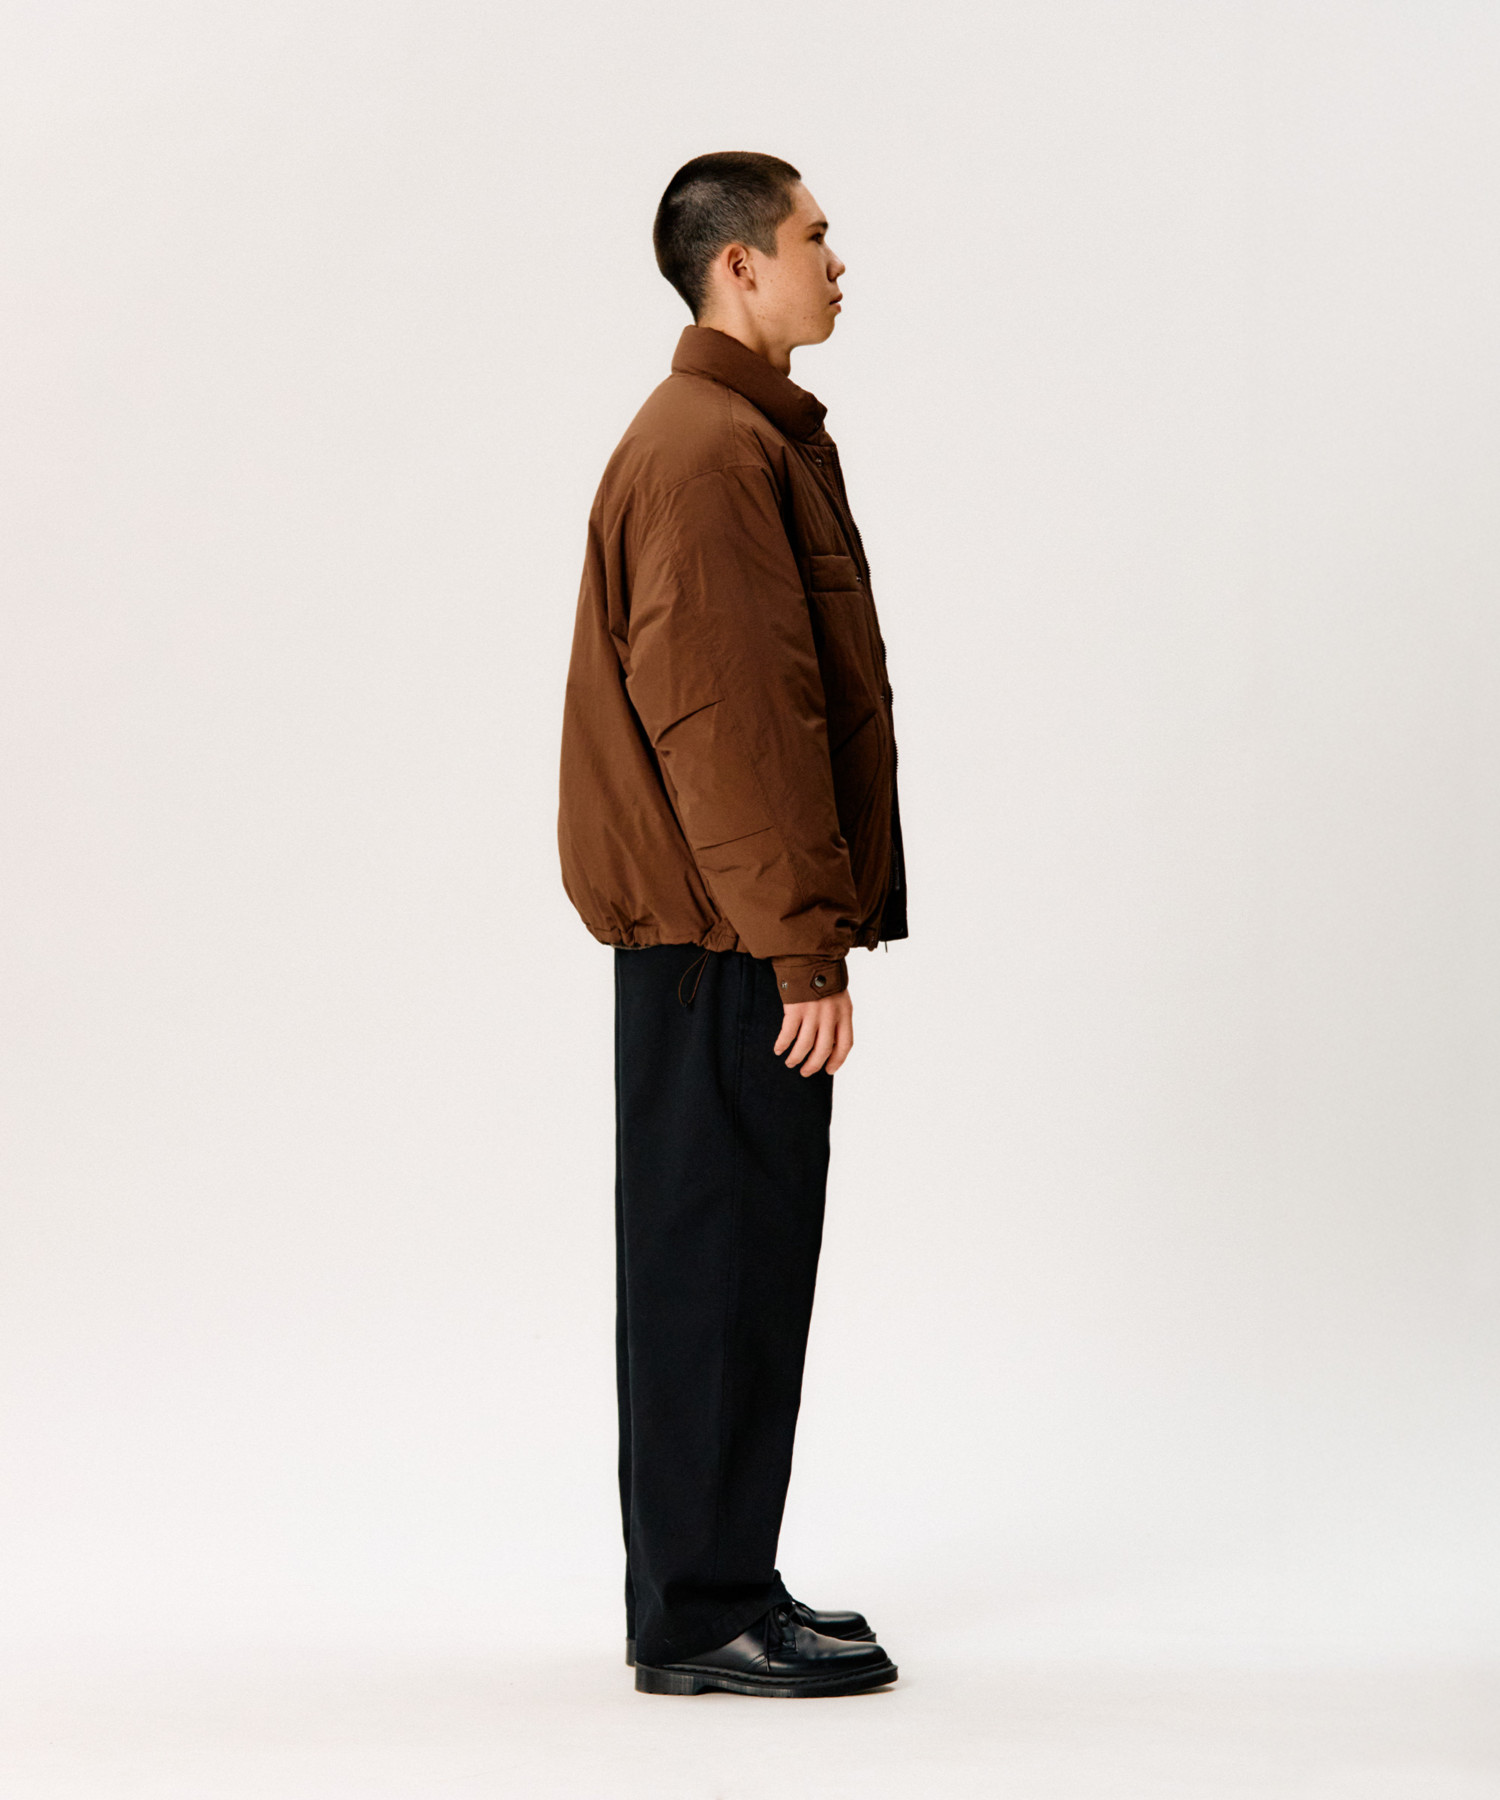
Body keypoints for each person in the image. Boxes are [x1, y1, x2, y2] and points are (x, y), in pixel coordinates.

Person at [557, 152, 907, 1699]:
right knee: (717, 1268)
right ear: (740, 265)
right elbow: (729, 726)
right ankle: (701, 1613)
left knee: (737, 1263)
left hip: (723, 934)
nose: (840, 260)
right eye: (816, 236)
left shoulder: (740, 435)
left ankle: (719, 1582)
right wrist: (799, 948)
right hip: (727, 944)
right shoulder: (706, 450)